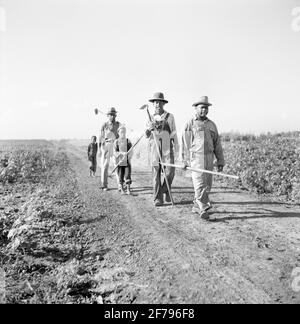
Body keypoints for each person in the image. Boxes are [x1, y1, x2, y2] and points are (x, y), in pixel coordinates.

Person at [181, 96, 225, 220]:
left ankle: (197, 205)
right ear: (196, 108)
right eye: (201, 108)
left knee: (208, 184)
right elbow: (185, 144)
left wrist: (220, 160)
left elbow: (217, 144)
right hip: (196, 158)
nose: (204, 110)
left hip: (209, 157)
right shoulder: (190, 124)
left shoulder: (212, 125)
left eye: (206, 108)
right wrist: (184, 160)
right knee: (199, 183)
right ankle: (202, 208)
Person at [145, 92, 178, 206]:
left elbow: (174, 133)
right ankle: (157, 198)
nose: (157, 104)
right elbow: (146, 135)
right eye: (155, 102)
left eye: (159, 102)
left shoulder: (170, 117)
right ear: (153, 104)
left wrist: (177, 147)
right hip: (154, 147)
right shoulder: (150, 118)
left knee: (170, 171)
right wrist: (149, 129)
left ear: (163, 103)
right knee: (156, 173)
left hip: (167, 147)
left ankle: (165, 189)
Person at [99, 107, 120, 190]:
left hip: (115, 145)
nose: (112, 116)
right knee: (105, 165)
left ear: (115, 115)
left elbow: (120, 136)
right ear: (107, 115)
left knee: (117, 165)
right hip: (106, 145)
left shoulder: (118, 124)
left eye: (113, 114)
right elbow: (101, 136)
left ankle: (120, 184)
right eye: (110, 114)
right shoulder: (104, 125)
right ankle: (104, 185)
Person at [113, 125, 133, 195]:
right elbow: (115, 152)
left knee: (127, 175)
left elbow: (131, 151)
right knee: (120, 175)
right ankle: (121, 189)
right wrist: (121, 153)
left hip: (127, 162)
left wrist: (128, 156)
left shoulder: (128, 141)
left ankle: (128, 189)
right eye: (121, 132)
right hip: (120, 162)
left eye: (124, 132)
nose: (123, 133)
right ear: (118, 133)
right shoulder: (116, 142)